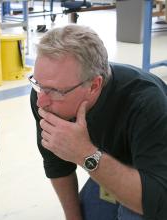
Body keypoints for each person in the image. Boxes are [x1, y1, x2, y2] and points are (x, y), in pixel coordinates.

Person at [29, 24, 167, 220]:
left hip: (156, 173)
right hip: (108, 161)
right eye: (38, 84)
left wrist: (84, 153)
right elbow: (56, 165)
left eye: (55, 91)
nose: (41, 100)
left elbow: (158, 202)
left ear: (94, 86)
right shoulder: (44, 96)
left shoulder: (146, 102)